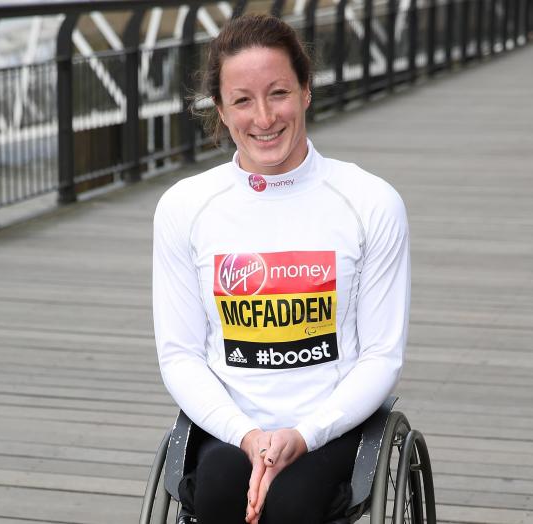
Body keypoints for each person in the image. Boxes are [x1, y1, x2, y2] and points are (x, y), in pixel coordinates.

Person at [152, 13, 410, 524]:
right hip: (230, 427)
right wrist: (246, 435)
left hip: (329, 427)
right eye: (243, 100)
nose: (264, 118)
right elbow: (180, 354)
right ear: (222, 111)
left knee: (292, 504)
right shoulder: (185, 207)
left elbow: (381, 355)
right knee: (222, 488)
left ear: (306, 92)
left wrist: (302, 435)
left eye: (278, 93)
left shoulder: (370, 202)